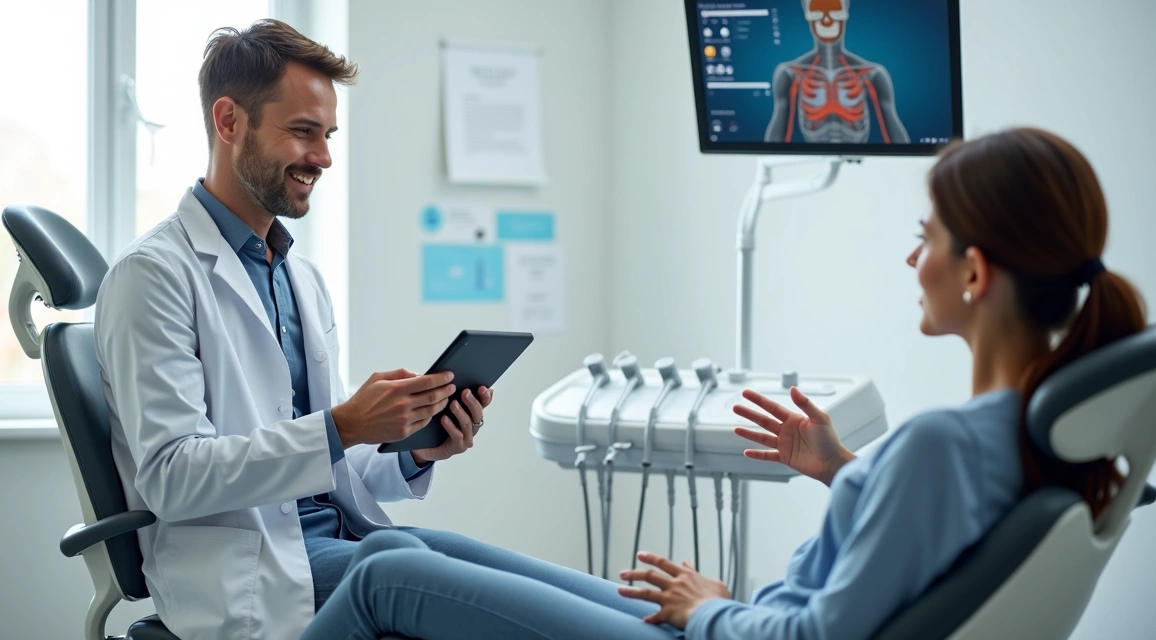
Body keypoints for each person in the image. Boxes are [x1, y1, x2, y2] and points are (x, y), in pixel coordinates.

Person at [300, 127, 1147, 640]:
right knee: (398, 547)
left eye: (926, 237)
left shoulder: (944, 445)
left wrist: (708, 607)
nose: (910, 258)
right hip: (741, 626)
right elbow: (928, 522)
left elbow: (822, 634)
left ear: (974, 274)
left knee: (383, 579)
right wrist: (843, 468)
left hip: (735, 632)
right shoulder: (1013, 439)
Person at [96, 19, 663, 640]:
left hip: (345, 541)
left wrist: (413, 445)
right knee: (435, 577)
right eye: (303, 132)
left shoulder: (298, 277)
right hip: (255, 576)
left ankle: (703, 623)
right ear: (229, 122)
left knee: (546, 586)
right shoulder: (151, 277)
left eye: (329, 135)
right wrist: (344, 425)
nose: (324, 156)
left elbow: (332, 471)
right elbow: (172, 478)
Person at [764, 0, 909, 144]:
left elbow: (896, 137)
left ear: (845, 13)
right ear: (807, 15)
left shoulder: (872, 73)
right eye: (817, 14)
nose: (827, 20)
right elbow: (777, 139)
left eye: (834, 12)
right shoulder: (790, 73)